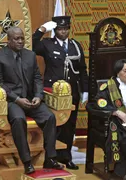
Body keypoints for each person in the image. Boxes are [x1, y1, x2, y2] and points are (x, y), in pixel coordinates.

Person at [0, 27, 64, 174]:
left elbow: (37, 78)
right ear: (8, 40)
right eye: (16, 39)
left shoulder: (30, 55)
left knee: (49, 117)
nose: (20, 41)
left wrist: (38, 96)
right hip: (11, 100)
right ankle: (27, 161)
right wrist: (17, 99)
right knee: (18, 119)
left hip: (31, 99)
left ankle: (50, 158)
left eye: (22, 38)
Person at [32, 16, 89, 170]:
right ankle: (51, 157)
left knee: (69, 125)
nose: (63, 32)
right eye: (59, 29)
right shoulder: (47, 44)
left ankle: (66, 157)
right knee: (54, 125)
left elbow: (82, 69)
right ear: (55, 30)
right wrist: (42, 30)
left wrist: (85, 90)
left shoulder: (75, 46)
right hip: (52, 93)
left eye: (65, 29)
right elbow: (31, 46)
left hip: (72, 92)